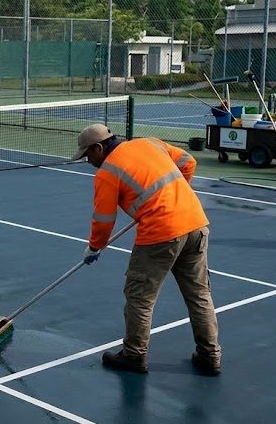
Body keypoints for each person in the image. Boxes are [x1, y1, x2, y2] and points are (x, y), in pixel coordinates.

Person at [73, 124, 221, 376]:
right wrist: (172, 196)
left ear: (99, 147)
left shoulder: (107, 172)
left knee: (140, 297)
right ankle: (210, 356)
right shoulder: (150, 142)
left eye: (88, 155)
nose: (88, 161)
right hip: (195, 223)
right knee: (199, 295)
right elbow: (188, 162)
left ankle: (134, 355)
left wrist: (94, 247)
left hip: (159, 235)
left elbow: (103, 219)